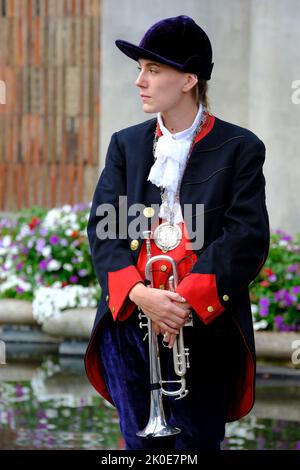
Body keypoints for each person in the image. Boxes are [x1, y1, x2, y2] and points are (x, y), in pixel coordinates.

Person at [84, 15, 270, 451]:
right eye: (139, 70)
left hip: (205, 327)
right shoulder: (126, 145)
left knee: (197, 446)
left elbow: (246, 237)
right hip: (131, 326)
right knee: (139, 447)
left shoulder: (241, 147)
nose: (140, 81)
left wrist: (185, 300)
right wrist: (140, 294)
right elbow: (104, 229)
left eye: (153, 70)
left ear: (188, 80)